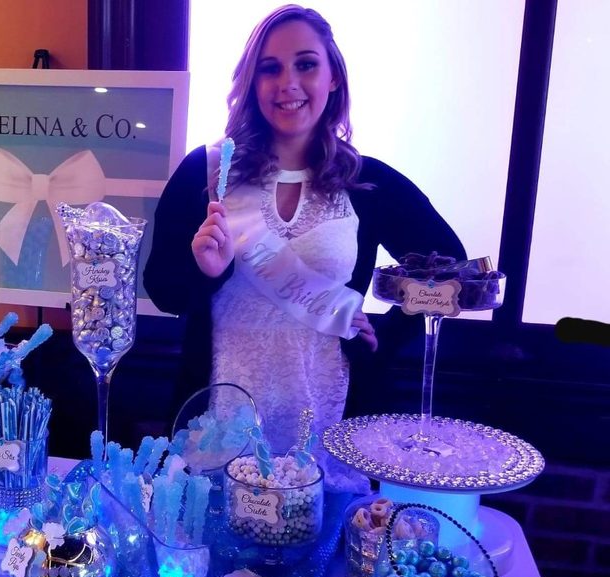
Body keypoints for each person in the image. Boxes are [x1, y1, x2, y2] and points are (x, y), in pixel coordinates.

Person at [143, 4, 466, 490]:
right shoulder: (206, 171)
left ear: (333, 77)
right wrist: (205, 272)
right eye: (269, 69)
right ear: (252, 82)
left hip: (329, 418)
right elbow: (163, 291)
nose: (287, 83)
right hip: (220, 418)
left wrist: (386, 333)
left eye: (306, 64)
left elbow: (452, 270)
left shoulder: (368, 182)